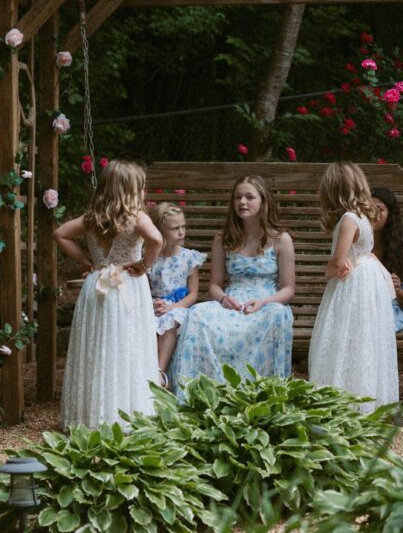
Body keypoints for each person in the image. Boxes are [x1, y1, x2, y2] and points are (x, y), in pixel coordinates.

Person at [54, 159, 162, 429]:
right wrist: (144, 265)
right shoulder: (137, 217)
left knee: (96, 348)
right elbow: (157, 240)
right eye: (142, 187)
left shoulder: (91, 218)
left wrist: (85, 261)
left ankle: (91, 416)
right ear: (131, 190)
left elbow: (60, 234)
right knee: (126, 347)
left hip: (97, 285)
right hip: (128, 286)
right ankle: (125, 414)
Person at [169, 175, 295, 394]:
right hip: (232, 302)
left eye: (249, 197)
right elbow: (214, 286)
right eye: (238, 197)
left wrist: (264, 302)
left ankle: (259, 391)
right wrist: (224, 299)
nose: (242, 202)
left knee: (278, 314)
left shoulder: (281, 239)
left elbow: (288, 289)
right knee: (197, 313)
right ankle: (200, 391)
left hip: (265, 303)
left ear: (263, 201)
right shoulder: (223, 239)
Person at [308, 161, 398, 413]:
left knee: (344, 339)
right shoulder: (363, 218)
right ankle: (365, 397)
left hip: (352, 286)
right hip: (365, 284)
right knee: (362, 341)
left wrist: (328, 270)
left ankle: (343, 399)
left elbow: (338, 262)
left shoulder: (348, 219)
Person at [147, 202, 207, 386]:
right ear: (160, 231)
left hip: (178, 306)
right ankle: (144, 371)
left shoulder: (189, 257)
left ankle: (159, 372)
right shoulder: (149, 257)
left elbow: (193, 294)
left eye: (183, 227)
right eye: (175, 228)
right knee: (149, 321)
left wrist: (171, 307)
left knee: (170, 320)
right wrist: (152, 304)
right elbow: (143, 287)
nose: (181, 232)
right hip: (153, 305)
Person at [371, 186, 403, 333]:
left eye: (380, 209)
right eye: (369, 208)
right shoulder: (355, 245)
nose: (374, 214)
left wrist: (397, 291)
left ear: (390, 215)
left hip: (389, 313)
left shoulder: (401, 248)